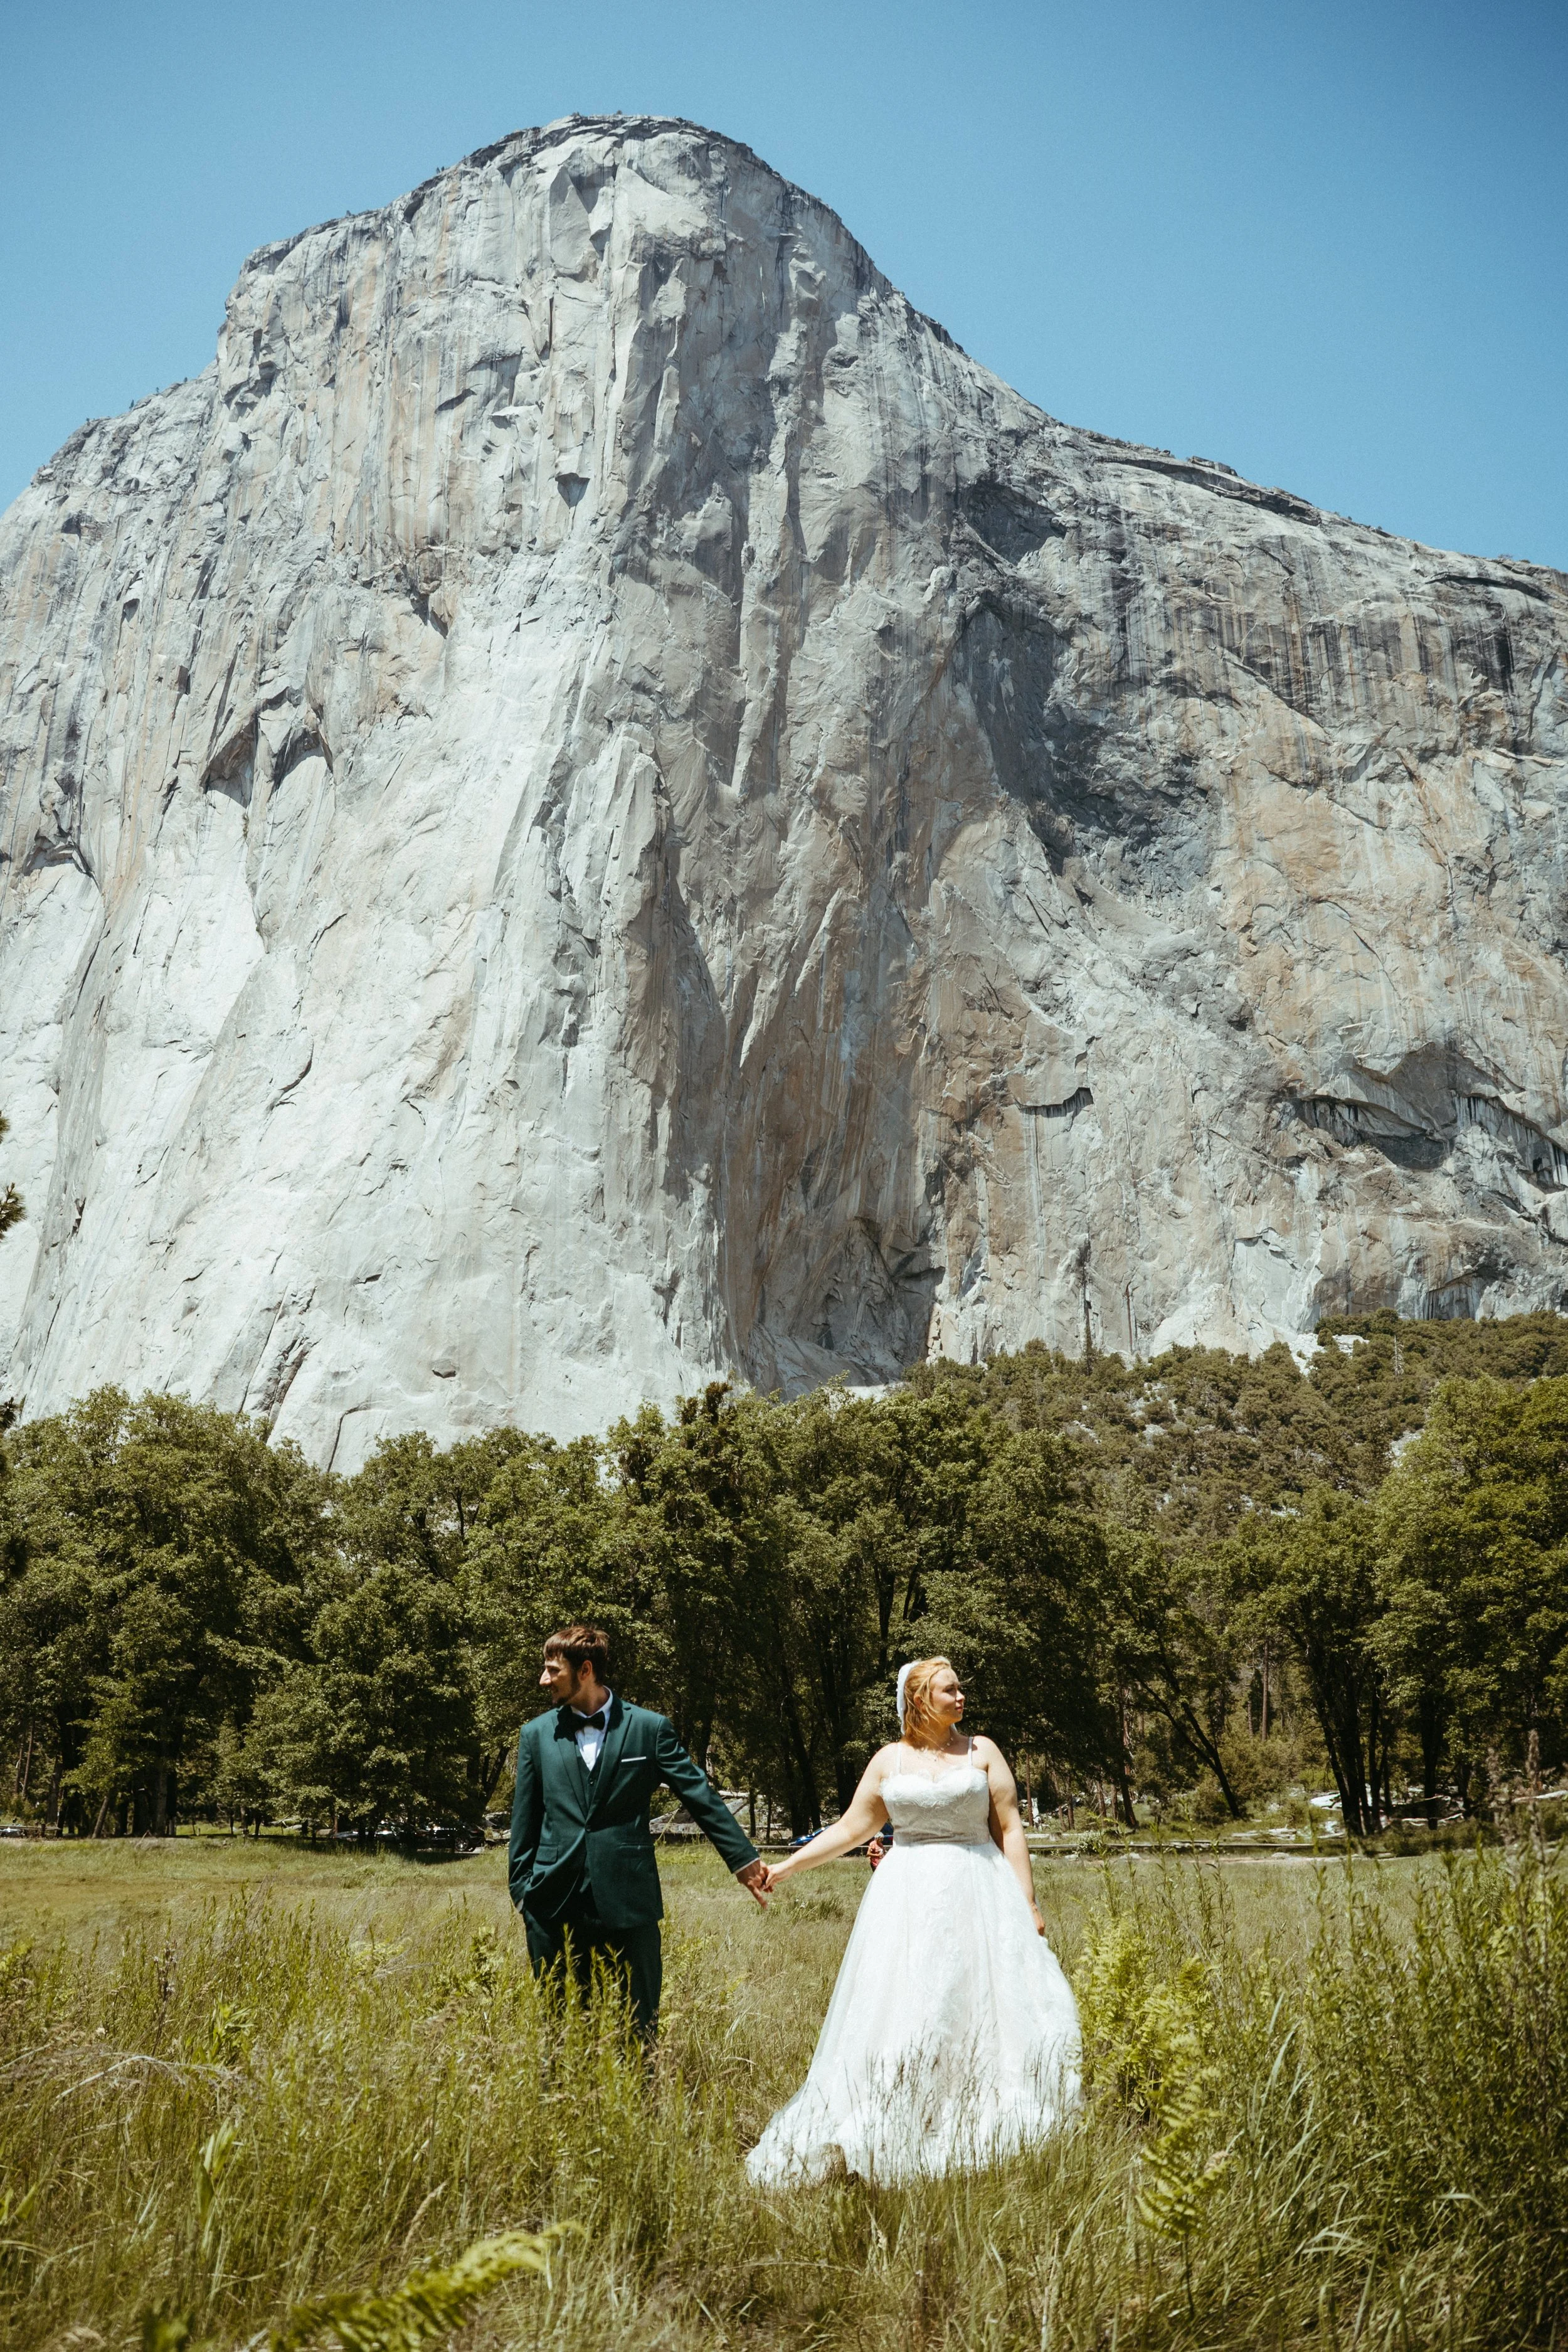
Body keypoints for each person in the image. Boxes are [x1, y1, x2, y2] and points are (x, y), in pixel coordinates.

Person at [746, 1656, 1080, 2183]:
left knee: (978, 2004)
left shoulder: (982, 1751)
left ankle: (978, 2110)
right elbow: (852, 1828)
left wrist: (1028, 1903)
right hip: (905, 1900)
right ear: (921, 1701)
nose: (961, 1697)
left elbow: (1010, 1828)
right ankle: (902, 2108)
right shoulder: (888, 1761)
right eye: (950, 1691)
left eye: (961, 1689)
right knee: (909, 2003)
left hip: (980, 1889)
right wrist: (785, 1869)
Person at [508, 1623, 771, 2038]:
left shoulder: (650, 1729)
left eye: (552, 1670)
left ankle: (640, 2103)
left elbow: (698, 1794)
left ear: (586, 1670)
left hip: (628, 1903)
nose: (544, 1680)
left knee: (637, 2030)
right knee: (560, 2034)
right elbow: (524, 1820)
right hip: (553, 1904)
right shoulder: (535, 1735)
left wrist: (743, 1860)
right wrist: (523, 1892)